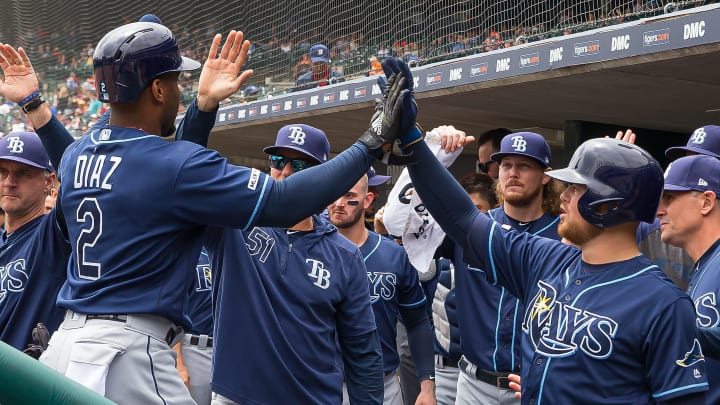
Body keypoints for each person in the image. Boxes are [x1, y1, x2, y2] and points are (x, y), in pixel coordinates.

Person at [1, 23, 415, 404]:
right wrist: (370, 144)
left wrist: (202, 109)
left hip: (67, 342)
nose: (180, 88)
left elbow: (167, 173)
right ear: (158, 90)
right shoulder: (171, 163)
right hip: (128, 351)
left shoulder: (77, 155)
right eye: (175, 80)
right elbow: (282, 201)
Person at [395, 124, 708, 403]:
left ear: (608, 205)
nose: (563, 197)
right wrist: (413, 141)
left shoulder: (664, 304)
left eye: (575, 189)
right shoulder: (545, 257)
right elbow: (461, 217)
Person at [199, 124, 384, 405]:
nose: (284, 171)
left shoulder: (344, 254)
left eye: (299, 163)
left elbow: (362, 350)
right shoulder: (235, 223)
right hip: (237, 397)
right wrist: (203, 109)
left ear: (322, 177)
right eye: (278, 161)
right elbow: (188, 174)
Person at [328, 173, 436, 405]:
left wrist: (427, 385)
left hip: (382, 386)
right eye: (335, 194)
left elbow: (417, 322)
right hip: (323, 384)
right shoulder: (311, 249)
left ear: (367, 201)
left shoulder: (392, 255)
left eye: (349, 197)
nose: (339, 203)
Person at [656, 154, 720, 404]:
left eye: (669, 198)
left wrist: (670, 328)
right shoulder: (705, 265)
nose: (659, 210)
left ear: (706, 202)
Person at [0, 132, 69, 353]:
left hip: (23, 382)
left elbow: (78, 177)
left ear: (49, 181)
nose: (9, 183)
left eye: (23, 173)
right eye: (2, 172)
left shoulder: (53, 234)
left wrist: (37, 111)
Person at [174, 250, 213, 405]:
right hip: (194, 349)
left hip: (229, 351)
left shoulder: (229, 249)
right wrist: (178, 363)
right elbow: (172, 309)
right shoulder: (187, 249)